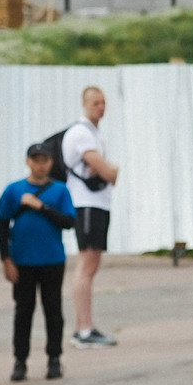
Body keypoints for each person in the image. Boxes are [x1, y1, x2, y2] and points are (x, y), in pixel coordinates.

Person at [0, 142, 77, 381]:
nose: (41, 165)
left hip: (52, 259)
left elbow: (68, 222)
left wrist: (41, 207)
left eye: (45, 161)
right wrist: (6, 259)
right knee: (23, 311)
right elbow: (2, 225)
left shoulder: (60, 190)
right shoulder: (14, 190)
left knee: (53, 310)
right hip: (22, 260)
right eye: (36, 160)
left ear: (51, 163)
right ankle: (20, 360)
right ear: (28, 162)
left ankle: (54, 358)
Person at [62, 86, 121, 347]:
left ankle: (85, 326)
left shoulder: (95, 134)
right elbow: (108, 172)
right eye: (96, 102)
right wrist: (110, 170)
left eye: (103, 102)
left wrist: (108, 170)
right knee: (86, 263)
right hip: (86, 204)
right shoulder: (81, 133)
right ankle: (84, 329)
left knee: (93, 263)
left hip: (98, 204)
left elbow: (105, 170)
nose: (101, 107)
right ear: (84, 103)